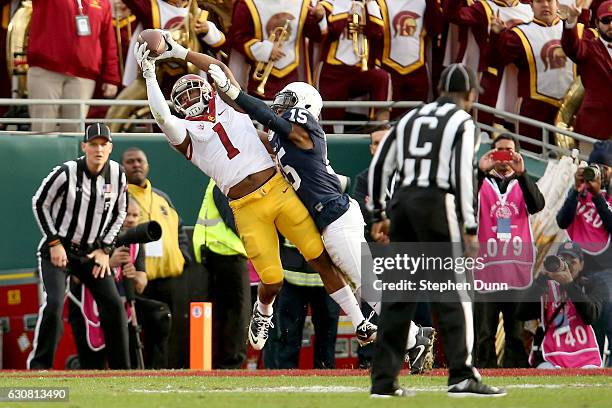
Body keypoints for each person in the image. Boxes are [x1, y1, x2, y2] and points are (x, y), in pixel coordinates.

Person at [134, 30, 375, 351]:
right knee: (272, 280)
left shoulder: (228, 102)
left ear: (205, 90)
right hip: (245, 205)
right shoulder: (185, 133)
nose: (191, 99)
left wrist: (177, 51)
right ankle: (263, 312)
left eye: (194, 91)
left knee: (320, 260)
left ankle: (360, 320)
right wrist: (150, 75)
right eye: (184, 98)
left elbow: (217, 68)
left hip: (278, 189)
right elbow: (162, 115)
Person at [208, 66, 436, 373]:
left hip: (336, 215)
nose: (281, 103)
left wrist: (235, 93)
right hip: (328, 219)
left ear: (303, 108)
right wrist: (226, 91)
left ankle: (414, 336)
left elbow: (265, 115)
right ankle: (408, 336)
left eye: (288, 99)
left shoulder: (305, 128)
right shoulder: (283, 137)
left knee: (369, 286)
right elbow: (249, 127)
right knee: (358, 284)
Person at [367, 63, 504, 397]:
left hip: (402, 202)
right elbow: (462, 173)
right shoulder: (463, 121)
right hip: (435, 203)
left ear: (440, 89)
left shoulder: (411, 117)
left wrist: (377, 212)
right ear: (470, 95)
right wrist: (470, 225)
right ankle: (461, 374)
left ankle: (383, 382)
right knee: (454, 293)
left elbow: (381, 163)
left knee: (398, 295)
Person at [28, 123, 129, 370]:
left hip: (92, 252)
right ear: (84, 146)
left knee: (115, 306)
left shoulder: (117, 174)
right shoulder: (66, 172)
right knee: (53, 306)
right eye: (93, 144)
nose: (98, 149)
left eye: (103, 144)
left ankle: (123, 371)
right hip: (59, 250)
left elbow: (120, 212)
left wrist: (105, 250)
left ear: (110, 148)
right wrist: (54, 243)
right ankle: (39, 368)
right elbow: (40, 203)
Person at [67, 197, 172, 369]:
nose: (131, 219)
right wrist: (109, 262)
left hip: (124, 306)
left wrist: (134, 275)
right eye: (127, 215)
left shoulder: (136, 244)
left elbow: (141, 284)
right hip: (86, 306)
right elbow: (76, 277)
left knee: (160, 315)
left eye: (135, 215)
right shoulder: (92, 236)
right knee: (93, 369)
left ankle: (156, 370)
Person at [473, 133, 545, 368]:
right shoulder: (482, 182)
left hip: (516, 272)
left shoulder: (522, 183)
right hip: (487, 272)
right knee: (484, 334)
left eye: (510, 151)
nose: (505, 158)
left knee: (515, 335)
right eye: (499, 152)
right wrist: (480, 172)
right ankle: (483, 379)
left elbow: (537, 205)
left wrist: (523, 174)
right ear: (491, 155)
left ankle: (517, 379)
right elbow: (466, 205)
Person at [121, 146, 191, 368]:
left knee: (164, 330)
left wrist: (183, 255)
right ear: (123, 167)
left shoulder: (162, 197)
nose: (136, 165)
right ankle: (134, 374)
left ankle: (159, 373)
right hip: (138, 278)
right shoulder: (119, 198)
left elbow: (179, 228)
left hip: (168, 278)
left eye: (140, 160)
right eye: (130, 161)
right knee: (135, 331)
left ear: (147, 165)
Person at [488, 0, 576, 151]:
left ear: (557, 3)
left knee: (570, 163)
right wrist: (496, 35)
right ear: (531, 5)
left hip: (570, 110)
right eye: (539, 1)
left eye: (549, 1)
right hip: (533, 110)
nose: (545, 5)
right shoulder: (518, 34)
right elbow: (495, 61)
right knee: (532, 158)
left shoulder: (576, 30)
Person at [27, 0, 119, 132]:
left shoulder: (102, 2)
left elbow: (108, 40)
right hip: (46, 71)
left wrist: (111, 77)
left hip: (83, 77)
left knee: (74, 132)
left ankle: (70, 154)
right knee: (42, 130)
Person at [444, 0, 533, 127]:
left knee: (517, 128)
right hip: (492, 79)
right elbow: (453, 15)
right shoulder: (483, 7)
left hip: (521, 78)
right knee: (487, 128)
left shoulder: (530, 9)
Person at [517, 242, 606, 368]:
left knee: (590, 376)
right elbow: (521, 314)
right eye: (563, 260)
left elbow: (591, 316)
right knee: (546, 372)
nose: (567, 266)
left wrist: (569, 285)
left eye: (572, 261)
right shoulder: (545, 288)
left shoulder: (591, 285)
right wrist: (541, 279)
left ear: (581, 265)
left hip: (586, 356)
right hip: (550, 357)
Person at [192, 179, 251, 369]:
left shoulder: (219, 177)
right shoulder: (230, 177)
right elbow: (233, 218)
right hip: (228, 252)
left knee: (219, 312)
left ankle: (216, 362)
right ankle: (230, 364)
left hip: (212, 250)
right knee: (238, 311)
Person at [264, 236, 341, 369]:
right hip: (290, 277)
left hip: (327, 276)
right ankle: (284, 385)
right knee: (287, 343)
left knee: (326, 346)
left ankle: (327, 386)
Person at [316, 0, 391, 132]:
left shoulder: (368, 5)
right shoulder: (328, 4)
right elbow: (334, 29)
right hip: (332, 72)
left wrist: (369, 3)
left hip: (357, 70)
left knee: (381, 77)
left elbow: (377, 31)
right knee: (331, 126)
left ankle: (381, 127)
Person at [229, 0, 326, 98]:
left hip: (295, 76)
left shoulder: (304, 3)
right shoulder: (246, 3)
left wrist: (320, 18)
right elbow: (237, 37)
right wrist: (266, 50)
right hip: (258, 78)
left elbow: (316, 36)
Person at [374, 0, 444, 118]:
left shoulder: (426, 3)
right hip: (389, 68)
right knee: (390, 121)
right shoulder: (379, 2)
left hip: (417, 69)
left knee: (417, 118)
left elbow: (436, 29)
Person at [556, 141, 612, 274]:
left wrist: (597, 196)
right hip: (572, 261)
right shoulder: (579, 189)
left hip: (602, 269)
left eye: (604, 168)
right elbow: (562, 222)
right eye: (595, 167)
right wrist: (576, 190)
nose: (600, 172)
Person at [560, 0, 612, 140]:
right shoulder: (589, 47)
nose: (611, 25)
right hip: (594, 127)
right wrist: (571, 21)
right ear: (597, 22)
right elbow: (571, 46)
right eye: (606, 20)